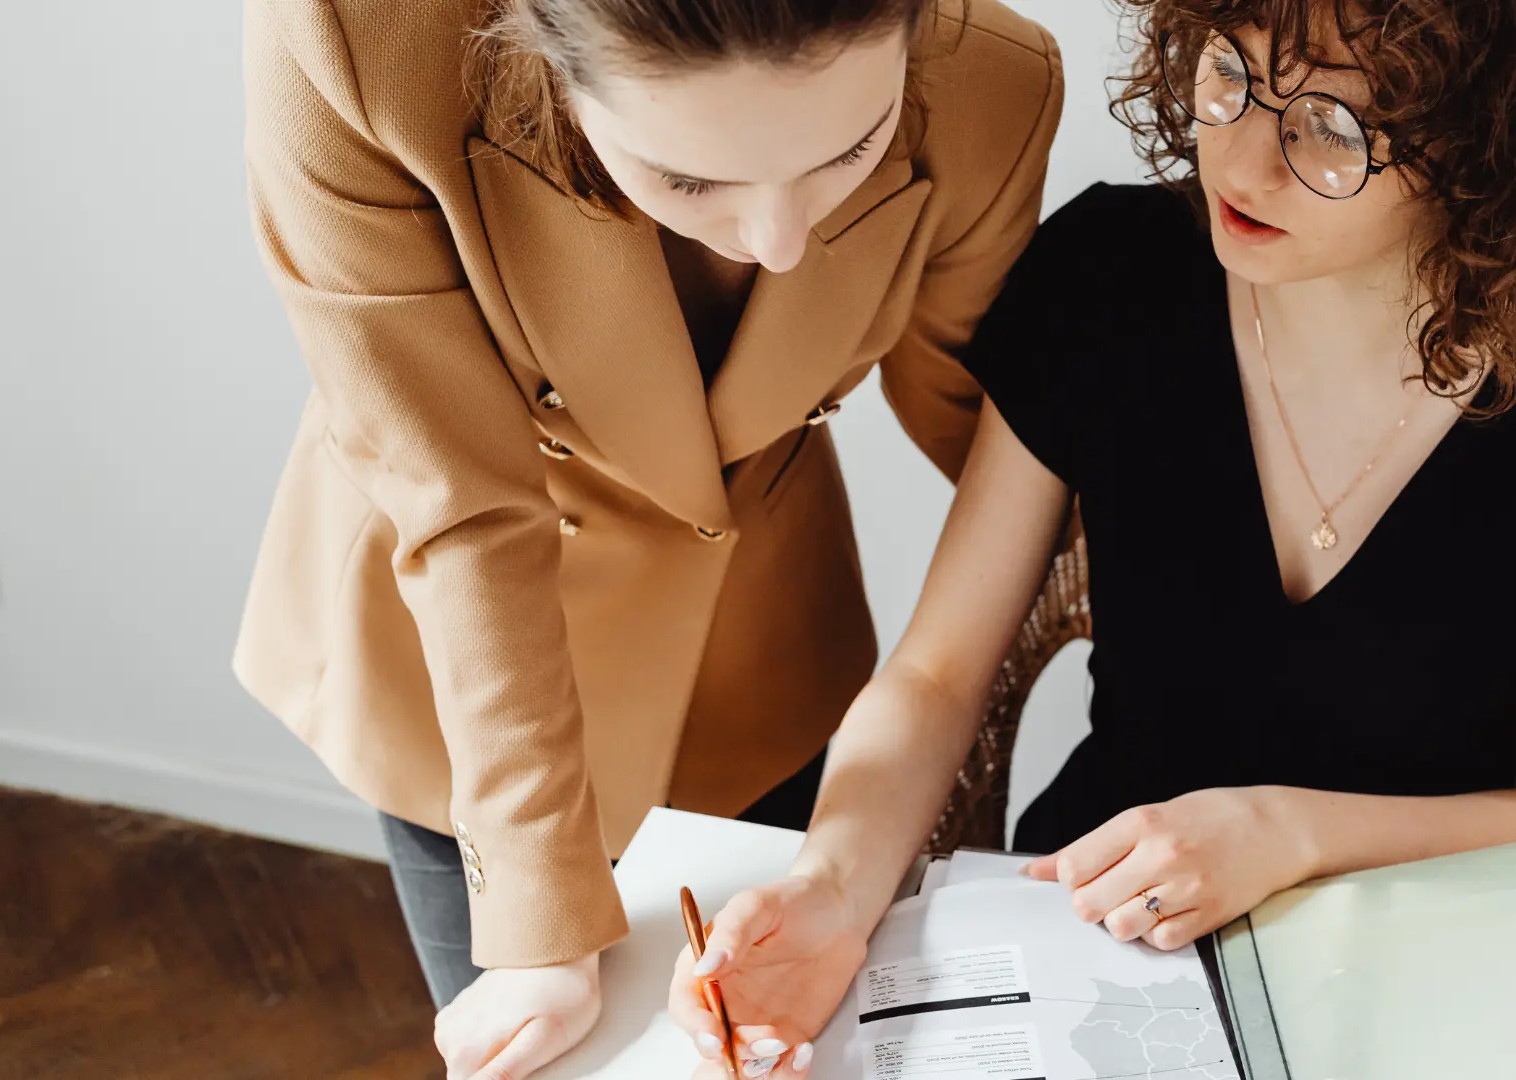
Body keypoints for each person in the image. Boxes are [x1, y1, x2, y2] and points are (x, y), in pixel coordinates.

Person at [668, 0, 1516, 1074]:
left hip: (1424, 957)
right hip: (1091, 930)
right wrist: (832, 888)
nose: (1242, 158)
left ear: (1495, 149)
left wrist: (1285, 833)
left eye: (1333, 128)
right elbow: (939, 675)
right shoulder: (1109, 273)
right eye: (1231, 71)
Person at [234, 0, 1062, 1074]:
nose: (777, 242)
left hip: (758, 644)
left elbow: (996, 432)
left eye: (849, 149)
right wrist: (539, 918)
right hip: (465, 671)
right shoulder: (358, 43)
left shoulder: (992, 86)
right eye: (690, 181)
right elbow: (458, 499)